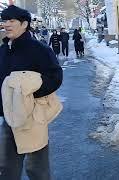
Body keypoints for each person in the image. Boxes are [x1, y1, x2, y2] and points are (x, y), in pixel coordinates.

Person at [0, 5, 63, 180]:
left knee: (37, 168)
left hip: (33, 117)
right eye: (4, 20)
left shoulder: (40, 49)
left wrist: (27, 95)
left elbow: (55, 76)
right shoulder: (3, 50)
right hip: (9, 118)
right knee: (7, 168)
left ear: (24, 24)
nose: (6, 24)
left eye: (11, 21)